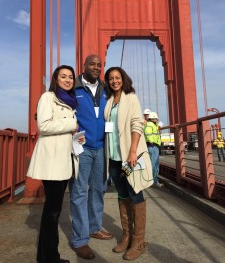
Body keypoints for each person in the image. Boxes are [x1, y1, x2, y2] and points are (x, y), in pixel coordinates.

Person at [27, 65, 78, 263]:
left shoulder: (71, 102)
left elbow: (62, 129)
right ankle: (49, 258)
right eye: (63, 76)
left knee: (54, 210)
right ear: (55, 79)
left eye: (71, 77)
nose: (67, 80)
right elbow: (44, 125)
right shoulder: (48, 97)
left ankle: (47, 256)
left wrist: (75, 136)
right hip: (53, 162)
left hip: (63, 160)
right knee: (53, 211)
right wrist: (72, 125)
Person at [104, 66, 153, 261]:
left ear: (123, 79)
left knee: (135, 193)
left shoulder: (130, 97)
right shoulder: (109, 102)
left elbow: (136, 123)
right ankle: (127, 236)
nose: (114, 81)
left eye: (117, 77)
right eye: (110, 78)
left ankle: (139, 242)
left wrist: (133, 150)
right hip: (114, 157)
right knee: (122, 194)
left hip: (128, 155)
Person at [69, 54, 113, 260]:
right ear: (84, 66)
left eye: (99, 65)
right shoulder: (73, 87)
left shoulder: (106, 89)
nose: (96, 67)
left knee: (98, 189)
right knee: (79, 192)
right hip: (82, 147)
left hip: (101, 147)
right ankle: (80, 239)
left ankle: (95, 227)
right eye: (92, 64)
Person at [144, 111, 164, 187]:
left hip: (154, 146)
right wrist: (151, 142)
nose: (156, 119)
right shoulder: (150, 125)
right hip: (152, 146)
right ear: (152, 118)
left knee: (153, 164)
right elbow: (148, 133)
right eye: (155, 118)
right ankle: (153, 182)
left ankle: (153, 181)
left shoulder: (151, 124)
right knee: (154, 164)